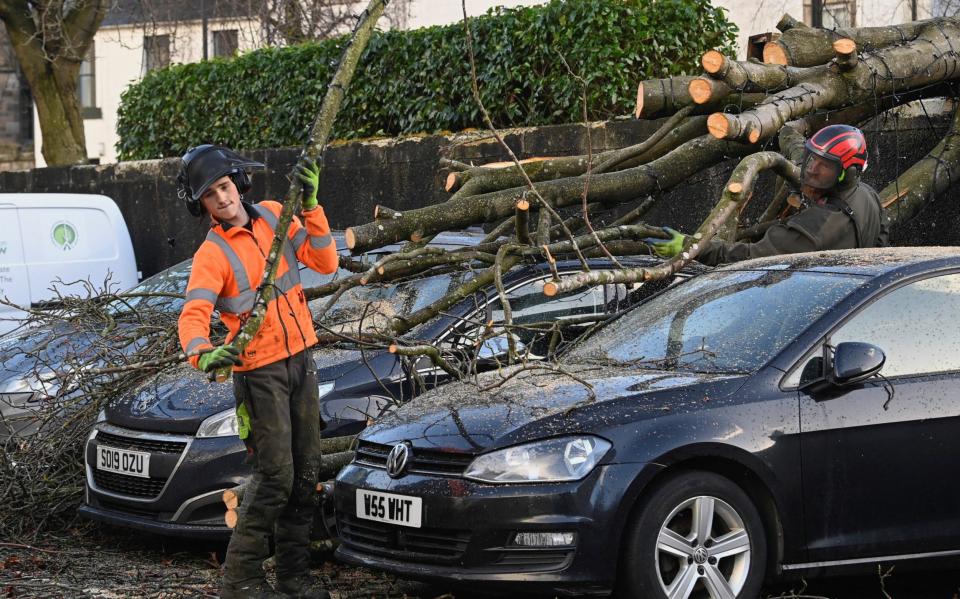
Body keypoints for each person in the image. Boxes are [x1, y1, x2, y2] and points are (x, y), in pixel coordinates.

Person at [176, 145, 337, 599]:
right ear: (203, 205)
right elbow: (193, 313)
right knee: (275, 477)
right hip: (258, 373)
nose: (222, 198)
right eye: (211, 195)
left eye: (225, 187)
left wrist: (311, 206)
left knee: (306, 474)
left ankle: (294, 576)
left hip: (301, 360)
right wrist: (202, 352)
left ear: (239, 184)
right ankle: (241, 582)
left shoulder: (273, 215)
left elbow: (326, 262)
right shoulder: (213, 253)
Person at [648, 124, 889, 266]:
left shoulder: (818, 225)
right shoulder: (869, 196)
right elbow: (881, 248)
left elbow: (752, 259)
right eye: (811, 159)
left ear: (846, 173)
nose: (812, 169)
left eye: (825, 166)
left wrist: (693, 248)